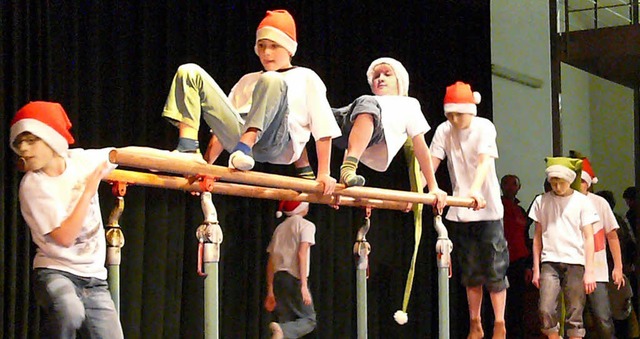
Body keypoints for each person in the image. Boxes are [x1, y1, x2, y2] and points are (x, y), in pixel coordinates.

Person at [161, 9, 340, 195]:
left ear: (289, 49)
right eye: (261, 46)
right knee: (189, 71)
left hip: (277, 143)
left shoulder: (306, 77)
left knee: (272, 80)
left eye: (274, 46)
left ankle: (244, 147)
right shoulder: (247, 80)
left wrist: (324, 173)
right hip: (240, 139)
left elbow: (323, 128)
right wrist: (206, 168)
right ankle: (188, 149)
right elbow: (221, 128)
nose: (266, 52)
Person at [9, 101, 123, 338]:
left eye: (31, 140)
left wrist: (184, 162)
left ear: (51, 139)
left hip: (94, 279)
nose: (23, 148)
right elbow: (65, 237)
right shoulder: (33, 185)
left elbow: (126, 154)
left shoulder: (80, 161)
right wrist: (89, 190)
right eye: (19, 142)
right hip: (55, 272)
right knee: (70, 311)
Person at [429, 81, 509, 338]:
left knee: (495, 268)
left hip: (488, 211)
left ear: (470, 111)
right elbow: (432, 162)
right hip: (461, 212)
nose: (453, 119)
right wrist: (423, 189)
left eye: (458, 114)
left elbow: (484, 162)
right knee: (471, 271)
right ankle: (475, 321)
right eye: (450, 114)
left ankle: (499, 322)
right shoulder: (444, 130)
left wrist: (475, 190)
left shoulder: (484, 126)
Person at [331, 57, 446, 207]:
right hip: (347, 120)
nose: (381, 78)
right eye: (376, 76)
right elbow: (352, 143)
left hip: (376, 132)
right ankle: (307, 167)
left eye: (387, 74)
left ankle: (348, 168)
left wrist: (433, 187)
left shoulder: (409, 104)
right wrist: (342, 183)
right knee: (318, 110)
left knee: (366, 103)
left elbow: (420, 146)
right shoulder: (368, 102)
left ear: (399, 81)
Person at [529, 157, 598, 339]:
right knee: (545, 308)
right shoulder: (541, 201)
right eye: (554, 182)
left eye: (561, 182)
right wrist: (536, 268)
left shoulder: (582, 202)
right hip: (549, 260)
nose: (557, 187)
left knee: (575, 312)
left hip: (575, 260)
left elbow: (589, 236)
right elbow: (537, 237)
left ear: (569, 180)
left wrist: (590, 270)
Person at [574, 157, 625, 338]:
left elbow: (612, 235)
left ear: (588, 183)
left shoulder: (599, 203)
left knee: (602, 318)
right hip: (572, 268)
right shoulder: (565, 202)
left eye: (582, 180)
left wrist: (618, 267)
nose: (578, 184)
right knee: (574, 321)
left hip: (598, 270)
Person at [264, 200, 316, 339]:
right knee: (309, 320)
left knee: (287, 323)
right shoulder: (306, 225)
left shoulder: (279, 228)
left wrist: (270, 290)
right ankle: (282, 329)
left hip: (278, 278)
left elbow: (271, 261)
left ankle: (281, 330)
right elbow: (301, 253)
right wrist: (304, 285)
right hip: (294, 277)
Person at [596, 190, 640, 338]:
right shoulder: (620, 220)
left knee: (616, 313)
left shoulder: (615, 221)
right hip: (613, 271)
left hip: (611, 271)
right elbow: (631, 244)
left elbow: (629, 245)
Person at [500, 174, 533, 338]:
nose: (510, 187)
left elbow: (526, 238)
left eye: (514, 184)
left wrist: (529, 265)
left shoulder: (521, 211)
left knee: (518, 304)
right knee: (500, 304)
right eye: (506, 184)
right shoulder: (496, 206)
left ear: (518, 188)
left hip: (519, 263)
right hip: (500, 262)